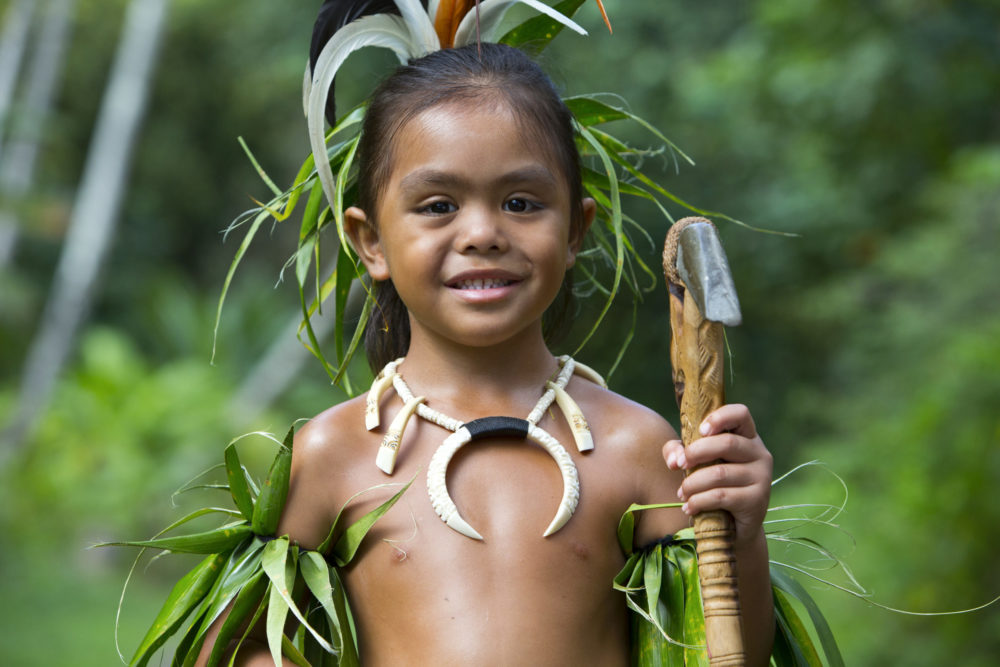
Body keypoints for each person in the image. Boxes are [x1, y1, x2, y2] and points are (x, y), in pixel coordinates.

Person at [197, 42, 774, 666]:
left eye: (520, 203)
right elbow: (237, 650)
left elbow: (724, 646)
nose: (482, 235)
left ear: (576, 229)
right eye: (438, 206)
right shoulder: (333, 455)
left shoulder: (635, 446)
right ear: (371, 242)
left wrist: (740, 528)